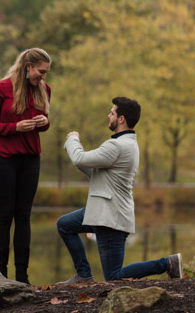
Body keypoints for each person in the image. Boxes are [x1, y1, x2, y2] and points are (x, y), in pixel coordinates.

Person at [56, 97, 183, 284]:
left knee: (114, 276)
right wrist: (80, 157)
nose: (109, 115)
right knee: (65, 224)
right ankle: (83, 274)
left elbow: (79, 158)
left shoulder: (117, 145)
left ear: (121, 118)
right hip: (102, 212)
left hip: (110, 218)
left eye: (112, 112)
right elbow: (93, 171)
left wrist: (73, 140)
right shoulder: (127, 144)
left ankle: (167, 264)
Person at [0, 48, 52, 284]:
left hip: (31, 160)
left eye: (45, 73)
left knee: (24, 216)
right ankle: (0, 277)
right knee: (4, 217)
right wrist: (13, 128)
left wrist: (45, 122)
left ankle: (22, 278)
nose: (43, 77)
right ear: (28, 66)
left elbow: (42, 123)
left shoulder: (45, 90)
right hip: (4, 159)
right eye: (40, 72)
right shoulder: (1, 88)